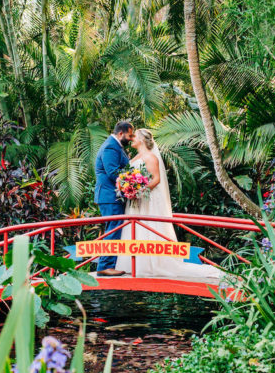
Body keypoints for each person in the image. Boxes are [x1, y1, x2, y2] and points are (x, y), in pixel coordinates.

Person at [115, 129, 223, 283]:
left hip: (146, 200)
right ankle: (134, 264)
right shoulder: (135, 157)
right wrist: (128, 187)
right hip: (136, 201)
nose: (132, 138)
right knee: (135, 227)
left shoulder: (151, 157)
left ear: (143, 140)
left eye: (135, 136)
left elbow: (156, 179)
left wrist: (138, 191)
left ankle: (152, 264)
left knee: (148, 227)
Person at [94, 120, 134, 276]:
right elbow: (112, 172)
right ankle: (105, 266)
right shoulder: (111, 146)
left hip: (111, 196)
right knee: (113, 230)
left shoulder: (116, 146)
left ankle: (107, 265)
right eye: (129, 135)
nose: (131, 138)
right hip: (110, 196)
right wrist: (133, 180)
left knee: (113, 229)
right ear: (121, 133)